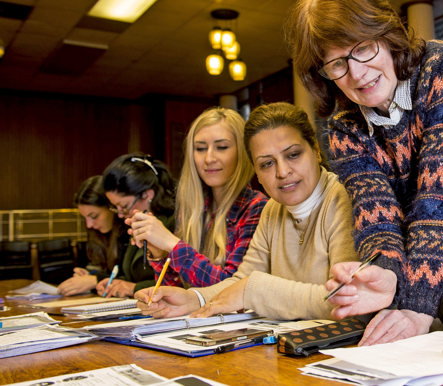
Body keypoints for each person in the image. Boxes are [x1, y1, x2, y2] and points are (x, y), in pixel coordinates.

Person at [288, 0, 443, 345]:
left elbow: (439, 199)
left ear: (386, 34)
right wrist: (384, 270)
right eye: (336, 65)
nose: (356, 74)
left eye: (362, 49)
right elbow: (376, 210)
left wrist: (415, 304)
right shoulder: (344, 126)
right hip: (438, 265)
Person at [135, 102, 359, 320]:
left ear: (317, 151)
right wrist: (194, 298)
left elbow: (345, 299)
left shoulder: (346, 198)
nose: (282, 172)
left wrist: (254, 290)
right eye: (267, 164)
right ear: (257, 174)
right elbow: (242, 280)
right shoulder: (273, 208)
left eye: (293, 155)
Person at [126, 107, 267, 288]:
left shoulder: (257, 207)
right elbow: (177, 291)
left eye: (221, 147)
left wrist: (170, 243)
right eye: (200, 149)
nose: (208, 158)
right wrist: (159, 253)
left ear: (242, 152)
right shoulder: (191, 209)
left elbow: (233, 289)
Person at [100, 153, 176, 297]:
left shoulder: (175, 223)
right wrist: (116, 283)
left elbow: (182, 281)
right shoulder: (135, 223)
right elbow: (133, 275)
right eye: (116, 208)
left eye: (124, 206)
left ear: (147, 195)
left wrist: (134, 288)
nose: (120, 214)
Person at [57, 176, 134, 296]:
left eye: (94, 216)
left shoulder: (131, 233)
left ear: (112, 207)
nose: (89, 225)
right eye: (85, 218)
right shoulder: (98, 235)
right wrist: (88, 275)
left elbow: (136, 279)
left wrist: (95, 280)